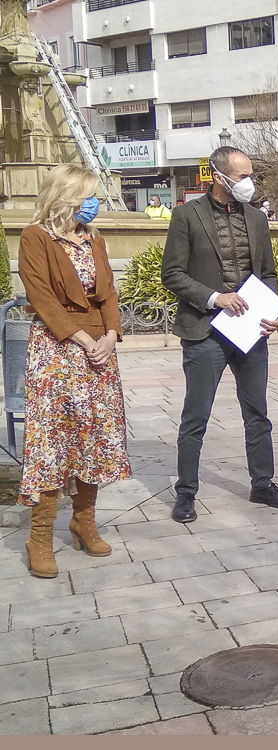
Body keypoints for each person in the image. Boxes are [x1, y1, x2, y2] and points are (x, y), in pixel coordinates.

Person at [161, 146, 278, 523]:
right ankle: (186, 492)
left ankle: (262, 484)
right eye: (242, 176)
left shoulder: (256, 218)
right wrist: (214, 297)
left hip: (250, 330)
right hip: (205, 331)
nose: (248, 183)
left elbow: (267, 273)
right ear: (218, 177)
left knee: (257, 414)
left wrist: (271, 313)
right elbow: (172, 274)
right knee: (196, 417)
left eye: (250, 175)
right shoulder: (186, 216)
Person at [17, 164, 131, 578]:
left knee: (94, 437)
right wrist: (83, 339)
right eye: (87, 195)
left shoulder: (93, 238)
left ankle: (84, 521)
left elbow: (109, 293)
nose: (94, 203)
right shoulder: (36, 238)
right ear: (65, 196)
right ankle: (40, 537)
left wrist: (112, 334)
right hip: (57, 352)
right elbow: (41, 297)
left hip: (100, 353)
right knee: (52, 443)